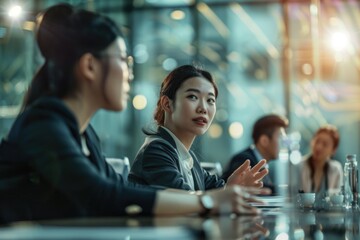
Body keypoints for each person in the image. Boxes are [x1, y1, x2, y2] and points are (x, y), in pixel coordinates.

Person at [0, 4, 271, 223]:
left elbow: (123, 188)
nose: (129, 73)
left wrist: (217, 195)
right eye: (122, 59)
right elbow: (103, 196)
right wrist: (209, 200)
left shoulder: (82, 132)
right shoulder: (45, 125)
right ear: (90, 66)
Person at [128, 65, 269, 191]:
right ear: (167, 104)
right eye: (193, 97)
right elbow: (184, 200)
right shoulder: (156, 152)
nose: (203, 108)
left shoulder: (186, 156)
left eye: (210, 100)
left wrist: (230, 189)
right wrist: (227, 192)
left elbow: (213, 191)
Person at [221, 114, 289, 194]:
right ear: (264, 141)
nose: (284, 143)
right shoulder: (244, 160)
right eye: (280, 137)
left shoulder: (261, 161)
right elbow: (263, 190)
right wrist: (292, 189)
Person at [298, 125, 343, 196]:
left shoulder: (336, 169)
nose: (318, 147)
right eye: (317, 141)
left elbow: (338, 197)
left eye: (325, 144)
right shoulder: (299, 166)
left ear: (333, 150)